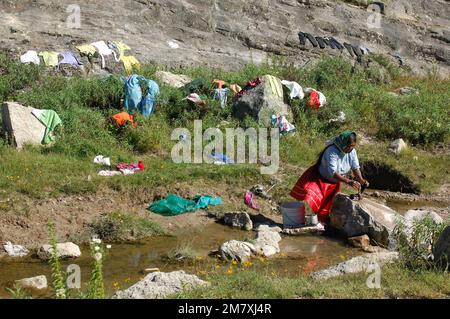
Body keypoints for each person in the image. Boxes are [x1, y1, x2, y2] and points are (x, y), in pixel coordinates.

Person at [290, 131, 369, 225]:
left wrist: (361, 179)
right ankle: (304, 219)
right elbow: (333, 173)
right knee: (314, 200)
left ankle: (322, 223)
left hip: (334, 182)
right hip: (320, 179)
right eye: (349, 146)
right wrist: (348, 181)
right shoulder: (332, 151)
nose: (351, 148)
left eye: (353, 146)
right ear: (343, 144)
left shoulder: (352, 152)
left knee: (328, 206)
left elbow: (355, 167)